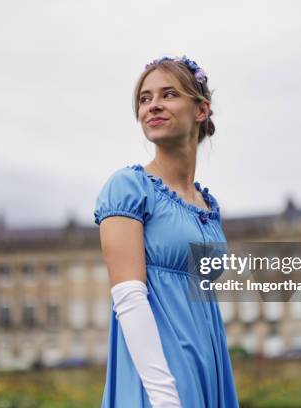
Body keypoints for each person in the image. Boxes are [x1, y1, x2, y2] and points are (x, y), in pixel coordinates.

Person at [94, 55, 240, 407]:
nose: (153, 106)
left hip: (210, 370)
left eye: (168, 94)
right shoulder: (128, 188)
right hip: (160, 378)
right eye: (144, 99)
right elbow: (128, 297)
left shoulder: (208, 206)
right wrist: (163, 397)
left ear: (201, 110)